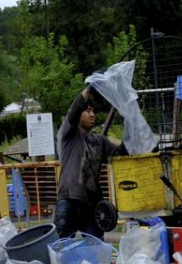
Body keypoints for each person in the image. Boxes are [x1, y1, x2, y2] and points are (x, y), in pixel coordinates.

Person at [54, 86, 128, 239]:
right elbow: (74, 110)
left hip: (91, 204)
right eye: (87, 111)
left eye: (93, 111)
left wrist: (131, 122)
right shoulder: (69, 134)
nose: (92, 115)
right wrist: (89, 89)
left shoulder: (99, 141)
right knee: (60, 247)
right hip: (69, 199)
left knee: (96, 247)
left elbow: (120, 153)